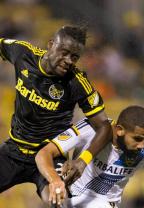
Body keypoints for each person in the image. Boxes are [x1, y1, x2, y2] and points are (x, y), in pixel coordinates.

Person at [0, 25, 112, 205]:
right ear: (51, 44)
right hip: (14, 150)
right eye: (64, 52)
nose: (69, 60)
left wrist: (82, 162)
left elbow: (105, 127)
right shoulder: (23, 54)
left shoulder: (77, 83)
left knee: (58, 202)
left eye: (74, 57)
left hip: (50, 156)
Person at [35, 105, 144, 208]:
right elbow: (44, 153)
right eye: (137, 139)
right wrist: (55, 180)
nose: (142, 145)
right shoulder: (91, 128)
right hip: (70, 199)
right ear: (119, 130)